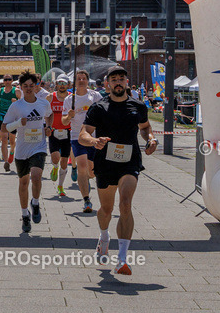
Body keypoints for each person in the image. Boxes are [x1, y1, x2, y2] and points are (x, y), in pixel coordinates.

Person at [80, 65, 157, 276]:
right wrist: (94, 140)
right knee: (106, 210)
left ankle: (122, 259)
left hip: (129, 162)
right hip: (105, 163)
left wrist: (150, 139)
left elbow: (145, 127)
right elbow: (83, 134)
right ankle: (104, 236)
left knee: (125, 203)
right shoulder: (99, 107)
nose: (118, 82)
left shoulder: (138, 106)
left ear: (126, 82)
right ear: (107, 84)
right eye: (113, 79)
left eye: (121, 78)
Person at [1, 71, 51, 233]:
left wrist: (49, 127)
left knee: (36, 176)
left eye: (31, 86)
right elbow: (4, 128)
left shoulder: (43, 104)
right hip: (22, 150)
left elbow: (50, 116)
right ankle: (25, 215)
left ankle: (35, 203)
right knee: (23, 182)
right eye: (25, 86)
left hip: (39, 146)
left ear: (36, 86)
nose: (28, 89)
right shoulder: (16, 106)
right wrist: (17, 123)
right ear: (21, 88)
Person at [63, 70, 102, 213]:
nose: (81, 81)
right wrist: (69, 117)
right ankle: (86, 200)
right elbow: (63, 120)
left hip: (93, 137)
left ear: (87, 81)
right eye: (78, 78)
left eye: (83, 78)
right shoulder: (69, 99)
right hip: (76, 136)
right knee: (82, 166)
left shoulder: (95, 96)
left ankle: (87, 178)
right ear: (74, 82)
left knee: (91, 172)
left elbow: (104, 112)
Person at [47, 75, 72, 197]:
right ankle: (54, 167)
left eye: (64, 83)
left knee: (64, 161)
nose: (62, 85)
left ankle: (60, 186)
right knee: (55, 157)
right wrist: (46, 126)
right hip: (54, 131)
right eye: (60, 83)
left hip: (68, 131)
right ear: (56, 84)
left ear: (68, 85)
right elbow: (45, 113)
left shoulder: (72, 98)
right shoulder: (51, 97)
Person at [0, 74, 19, 171]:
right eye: (6, 79)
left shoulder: (16, 91)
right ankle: (6, 162)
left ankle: (12, 151)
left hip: (13, 118)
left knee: (12, 141)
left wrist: (16, 102)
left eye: (9, 79)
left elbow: (22, 103)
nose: (7, 81)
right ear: (3, 81)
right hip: (2, 117)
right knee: (4, 139)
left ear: (12, 80)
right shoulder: (0, 91)